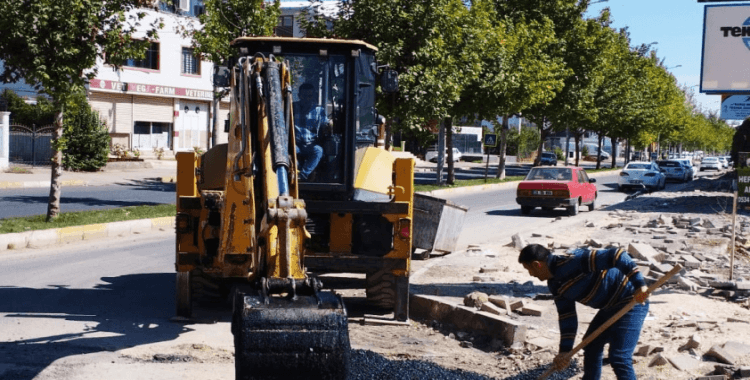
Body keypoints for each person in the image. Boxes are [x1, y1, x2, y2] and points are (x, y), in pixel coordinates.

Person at [518, 244, 650, 380]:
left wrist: (640, 284)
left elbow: (617, 255)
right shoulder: (555, 284)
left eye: (528, 269)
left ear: (537, 265)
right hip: (610, 307)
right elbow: (567, 317)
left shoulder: (573, 261)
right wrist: (565, 352)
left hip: (633, 301)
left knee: (619, 357)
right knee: (591, 345)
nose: (531, 274)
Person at [294, 83, 329, 181]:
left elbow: (326, 124)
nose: (307, 99)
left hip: (311, 144)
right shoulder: (292, 107)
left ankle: (302, 176)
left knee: (318, 151)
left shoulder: (319, 110)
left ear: (313, 96)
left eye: (309, 96)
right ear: (299, 96)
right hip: (295, 144)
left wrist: (329, 125)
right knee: (289, 151)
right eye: (304, 96)